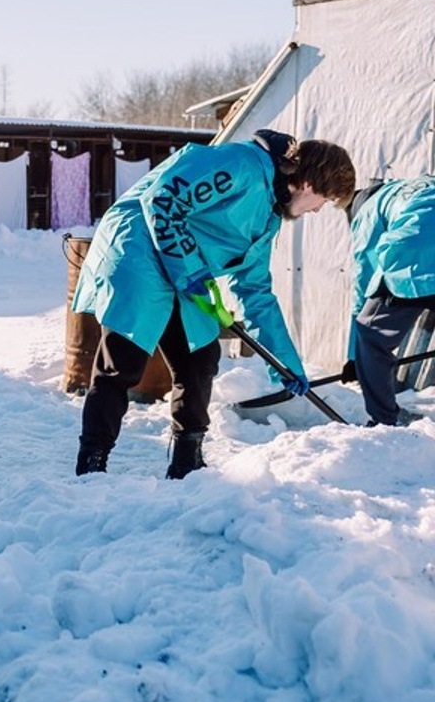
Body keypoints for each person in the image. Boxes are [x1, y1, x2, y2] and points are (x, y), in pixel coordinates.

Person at [72, 130, 356, 478]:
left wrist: (285, 362)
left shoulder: (269, 216)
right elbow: (163, 199)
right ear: (310, 183)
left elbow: (255, 291)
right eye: (324, 201)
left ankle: (187, 460)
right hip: (139, 248)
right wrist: (189, 270)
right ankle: (92, 462)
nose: (316, 211)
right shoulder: (241, 164)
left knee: (201, 356)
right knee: (124, 361)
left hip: (183, 266)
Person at [344, 177, 435, 427]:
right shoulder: (412, 188)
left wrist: (355, 355)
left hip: (412, 251)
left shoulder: (367, 211)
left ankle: (383, 423)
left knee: (371, 335)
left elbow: (365, 273)